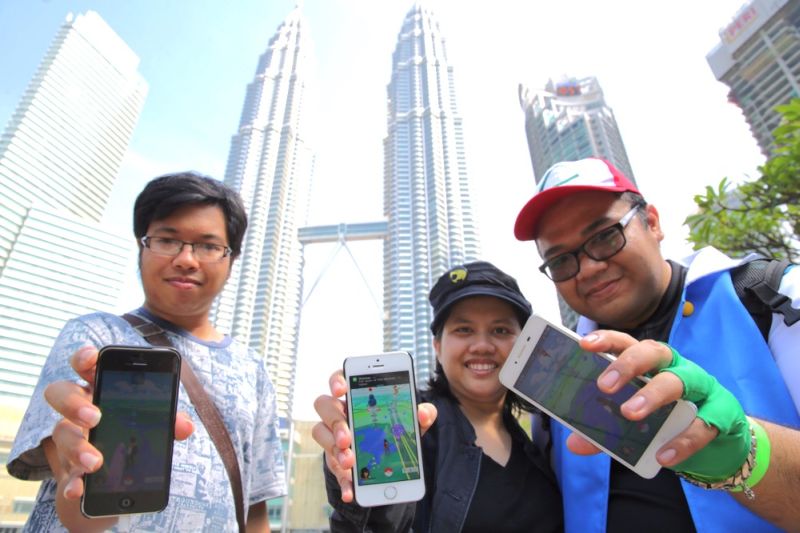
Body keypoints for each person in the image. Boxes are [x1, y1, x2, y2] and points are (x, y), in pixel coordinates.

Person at [512, 157, 800, 532]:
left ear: (652, 222)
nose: (589, 267)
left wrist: (749, 455)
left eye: (605, 236)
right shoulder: (555, 378)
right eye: (561, 260)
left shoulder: (773, 297)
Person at [6, 172, 286, 532]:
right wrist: (81, 468)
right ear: (141, 248)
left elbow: (254, 509)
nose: (186, 259)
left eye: (208, 246)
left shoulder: (252, 368)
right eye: (167, 240)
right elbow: (74, 496)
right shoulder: (94, 336)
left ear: (231, 261)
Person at [314, 261, 563, 532]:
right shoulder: (411, 427)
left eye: (500, 330)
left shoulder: (547, 435)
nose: (482, 345)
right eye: (464, 329)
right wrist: (350, 464)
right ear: (438, 347)